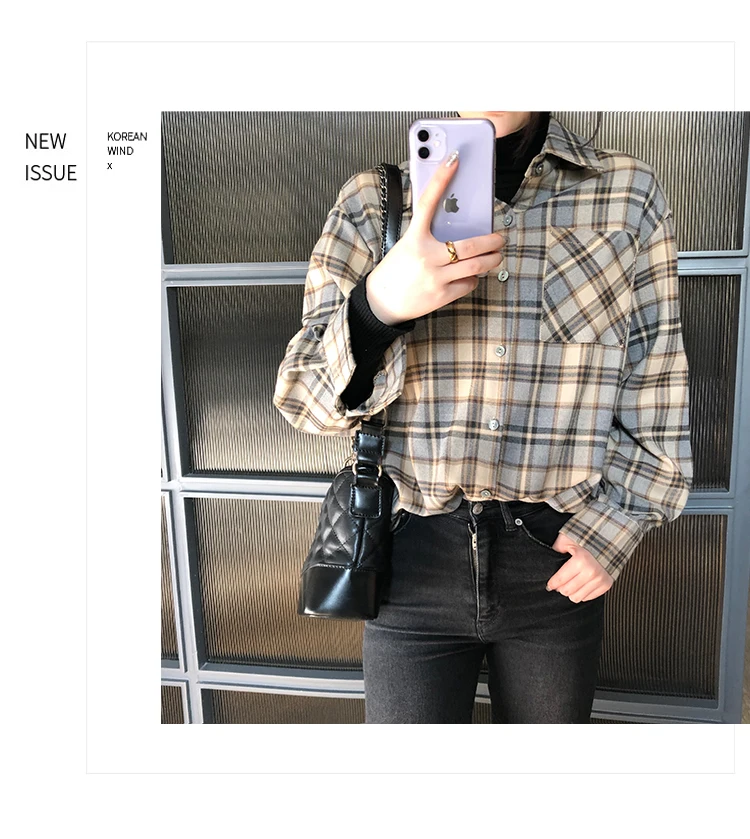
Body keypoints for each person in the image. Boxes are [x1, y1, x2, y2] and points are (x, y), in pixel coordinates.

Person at [273, 111, 693, 723]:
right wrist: (377, 307)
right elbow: (302, 398)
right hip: (408, 557)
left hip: (557, 556)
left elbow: (655, 379)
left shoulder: (627, 195)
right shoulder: (373, 204)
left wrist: (616, 528)